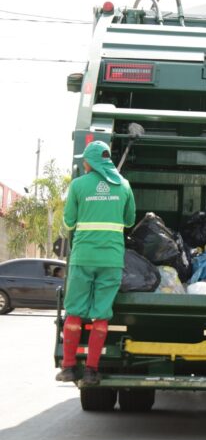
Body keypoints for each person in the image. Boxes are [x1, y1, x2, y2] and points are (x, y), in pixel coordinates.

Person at [55, 141, 136, 385]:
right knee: (101, 317)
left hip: (83, 259)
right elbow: (130, 221)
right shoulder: (124, 185)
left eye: (84, 160)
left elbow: (69, 223)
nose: (83, 163)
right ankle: (91, 371)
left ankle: (68, 367)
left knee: (75, 313)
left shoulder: (79, 185)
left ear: (90, 161)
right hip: (111, 260)